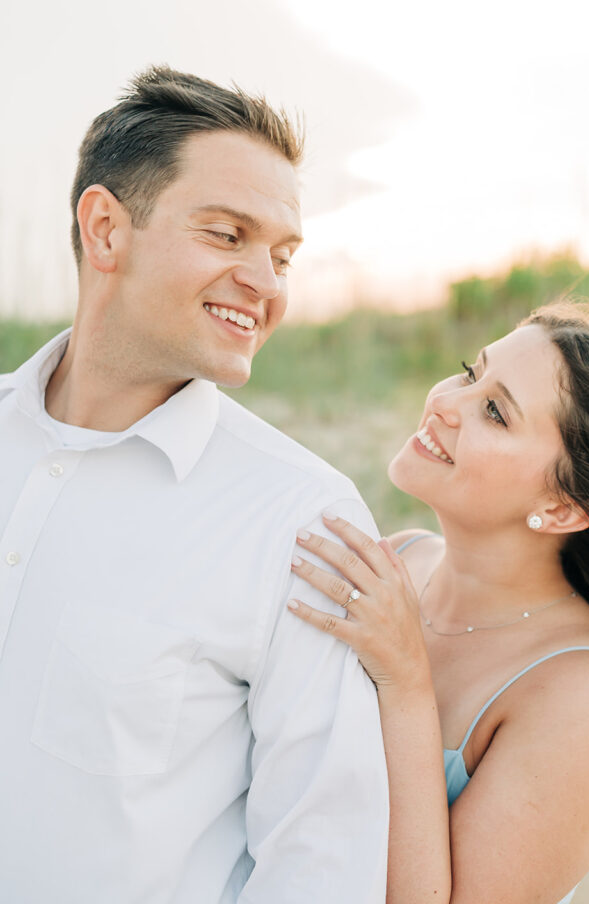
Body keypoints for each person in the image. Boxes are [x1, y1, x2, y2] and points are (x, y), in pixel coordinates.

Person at [0, 66, 389, 902]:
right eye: (227, 235)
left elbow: (321, 862)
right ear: (106, 230)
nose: (267, 282)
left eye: (282, 255)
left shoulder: (302, 520)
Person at [289, 302, 589, 904]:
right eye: (471, 373)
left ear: (560, 509)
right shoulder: (397, 560)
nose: (444, 403)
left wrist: (405, 680)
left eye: (495, 412)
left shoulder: (582, 691)